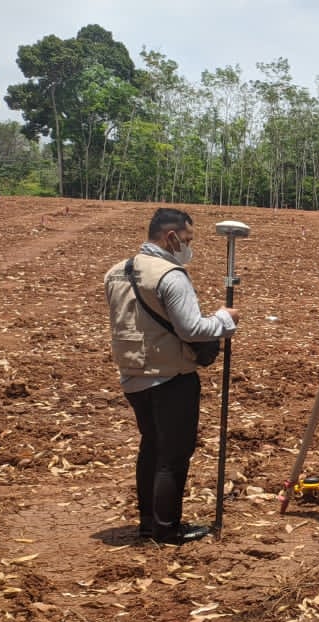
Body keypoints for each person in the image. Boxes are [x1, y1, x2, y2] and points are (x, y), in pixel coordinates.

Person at [104, 208, 239, 544]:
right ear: (171, 237)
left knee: (151, 447)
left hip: (133, 374)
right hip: (171, 377)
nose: (188, 246)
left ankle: (149, 522)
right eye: (187, 239)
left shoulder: (116, 272)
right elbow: (192, 328)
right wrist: (224, 320)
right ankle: (167, 530)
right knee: (173, 455)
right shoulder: (170, 275)